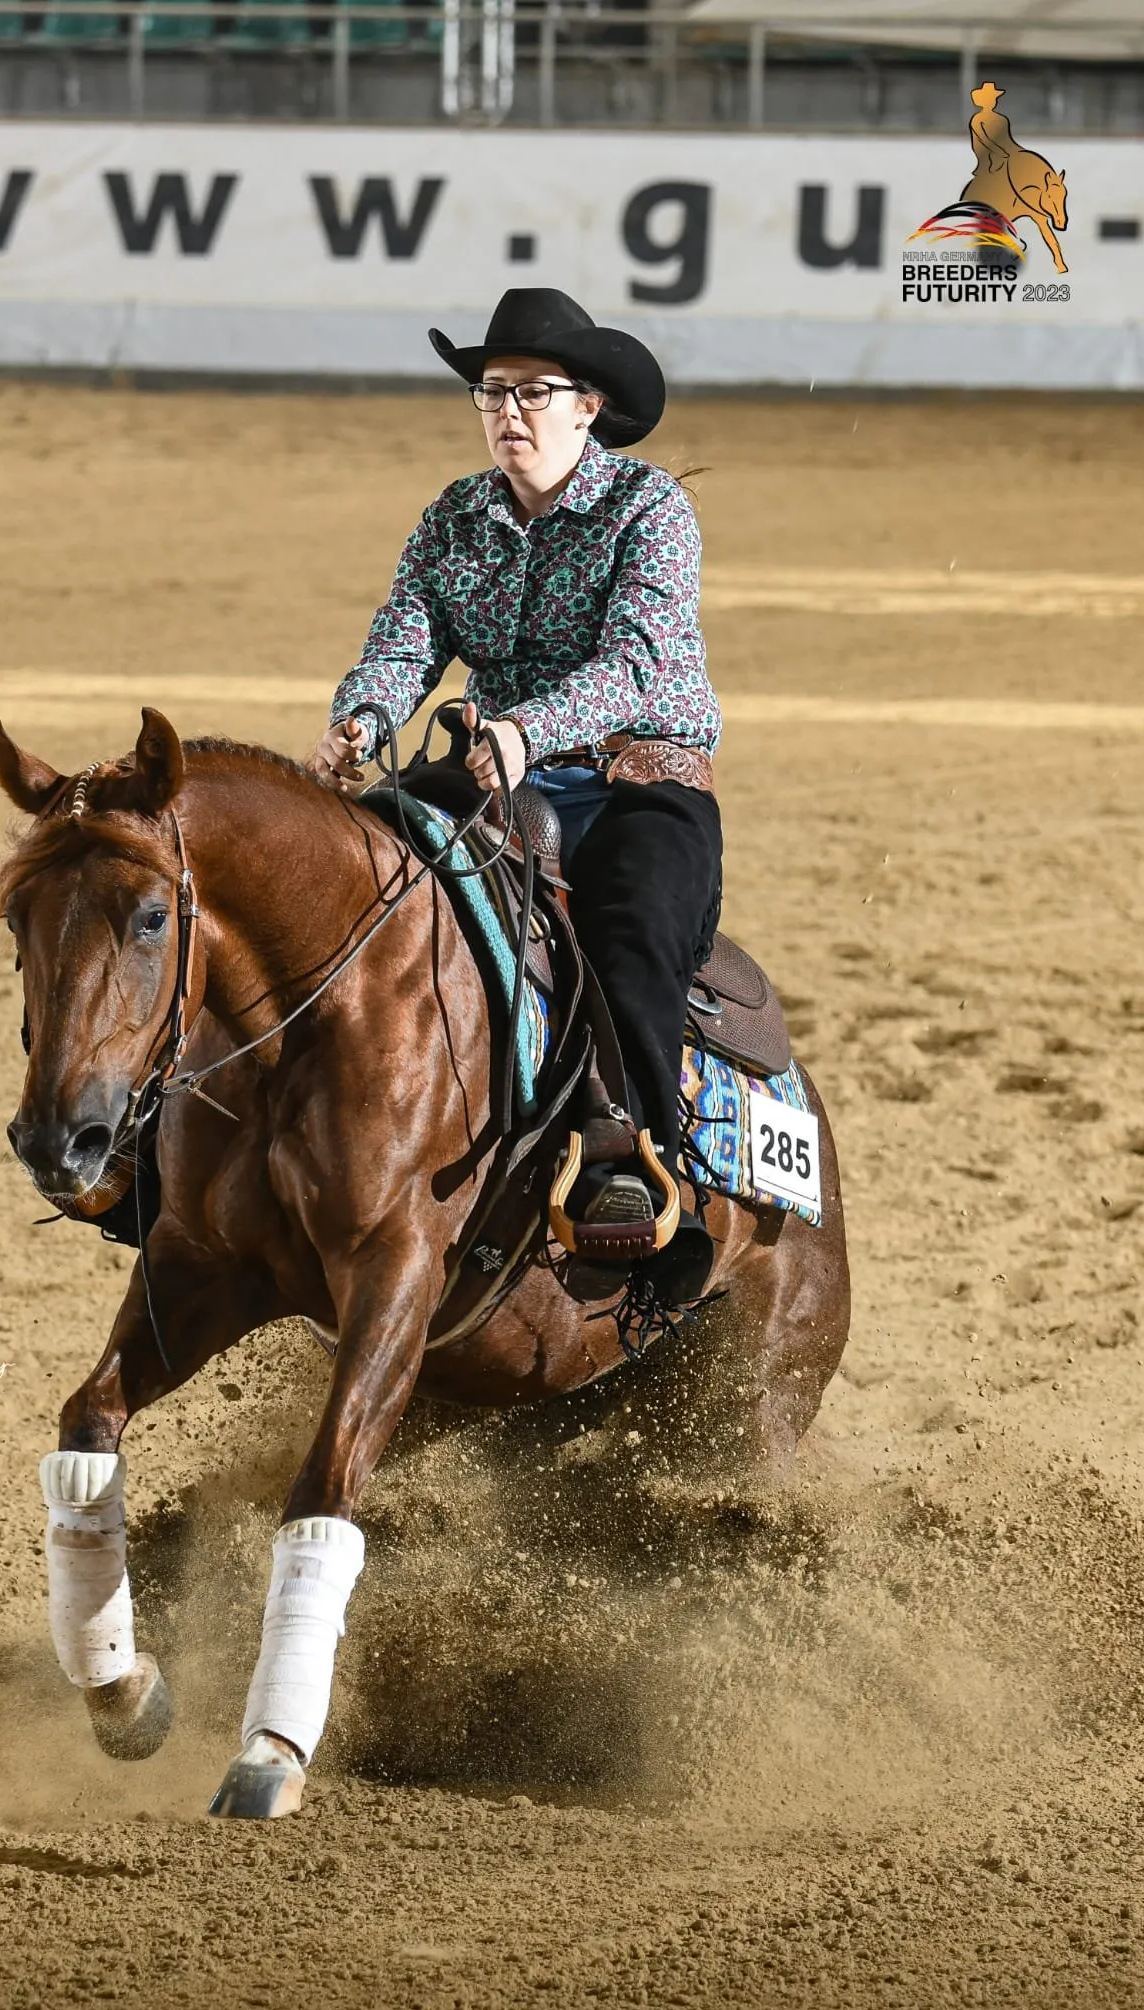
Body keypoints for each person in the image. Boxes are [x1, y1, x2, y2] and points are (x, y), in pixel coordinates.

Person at [311, 288, 722, 1305]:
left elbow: (637, 662)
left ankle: (640, 1167)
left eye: (534, 392)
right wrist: (362, 720)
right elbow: (403, 641)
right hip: (494, 778)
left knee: (631, 937)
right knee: (357, 900)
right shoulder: (454, 516)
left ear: (589, 407)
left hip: (635, 781)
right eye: (493, 392)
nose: (508, 412)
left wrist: (526, 727)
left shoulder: (649, 510)